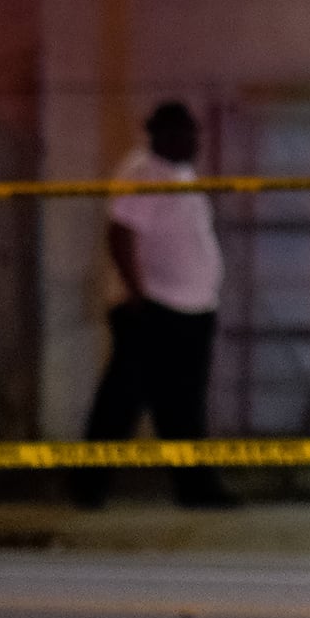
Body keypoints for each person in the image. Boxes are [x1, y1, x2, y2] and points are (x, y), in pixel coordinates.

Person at [74, 102, 233, 509]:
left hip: (191, 309)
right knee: (123, 401)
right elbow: (121, 233)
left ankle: (195, 488)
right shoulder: (143, 172)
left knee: (183, 405)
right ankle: (88, 487)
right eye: (185, 133)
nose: (194, 141)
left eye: (195, 133)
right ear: (160, 134)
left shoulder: (180, 174)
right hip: (156, 308)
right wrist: (138, 293)